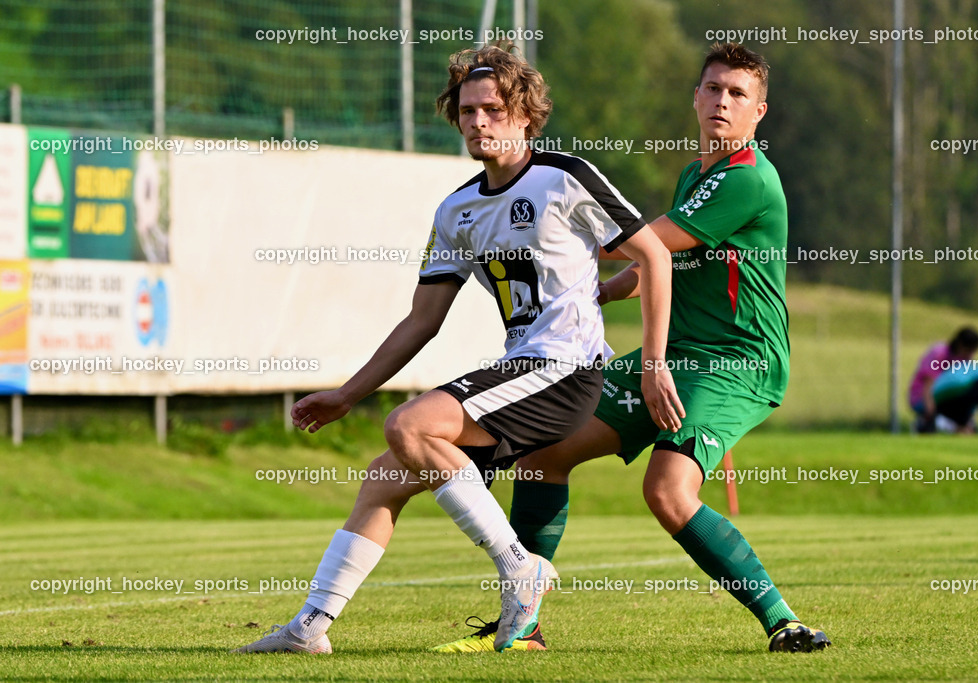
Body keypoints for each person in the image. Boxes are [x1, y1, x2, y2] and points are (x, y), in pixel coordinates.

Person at [233, 43, 682, 655]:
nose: (479, 121)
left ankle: (520, 568)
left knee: (409, 425)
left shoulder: (565, 176)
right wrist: (347, 394)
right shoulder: (456, 210)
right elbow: (422, 320)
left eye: (493, 109)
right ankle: (310, 628)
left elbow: (654, 256)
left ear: (525, 116)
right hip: (521, 371)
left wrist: (653, 365)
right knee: (384, 479)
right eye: (468, 111)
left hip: (567, 369)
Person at [433, 41, 832, 654]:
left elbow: (632, 241)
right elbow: (661, 259)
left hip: (736, 362)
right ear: (695, 98)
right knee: (543, 456)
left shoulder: (747, 179)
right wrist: (606, 290)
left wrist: (551, 222)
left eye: (738, 94)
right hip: (681, 352)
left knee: (667, 491)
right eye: (713, 89)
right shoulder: (696, 174)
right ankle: (523, 625)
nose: (722, 102)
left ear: (760, 112)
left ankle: (785, 623)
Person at [908, 326, 978, 433]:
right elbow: (928, 383)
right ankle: (925, 423)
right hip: (923, 398)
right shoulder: (940, 353)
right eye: (969, 350)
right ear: (960, 345)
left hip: (946, 401)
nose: (971, 355)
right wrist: (930, 415)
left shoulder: (964, 360)